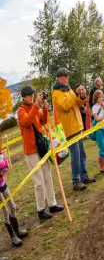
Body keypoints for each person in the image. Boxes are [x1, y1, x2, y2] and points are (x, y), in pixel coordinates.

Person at [16, 86, 63, 221]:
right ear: (23, 97)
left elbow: (43, 121)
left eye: (32, 94)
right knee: (39, 181)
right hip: (31, 151)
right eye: (29, 95)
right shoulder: (21, 111)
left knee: (47, 176)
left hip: (41, 148)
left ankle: (52, 203)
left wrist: (45, 108)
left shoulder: (35, 107)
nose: (31, 96)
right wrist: (36, 104)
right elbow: (27, 121)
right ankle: (40, 209)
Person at [52, 68, 95, 191]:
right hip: (69, 129)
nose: (66, 78)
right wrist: (75, 94)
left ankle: (84, 175)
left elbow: (77, 104)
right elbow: (65, 106)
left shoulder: (68, 88)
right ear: (58, 79)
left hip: (77, 126)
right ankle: (76, 180)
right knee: (75, 155)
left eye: (67, 76)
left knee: (81, 153)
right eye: (64, 77)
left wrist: (81, 96)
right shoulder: (56, 93)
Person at [0, 152, 28, 247]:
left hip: (3, 185)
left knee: (12, 206)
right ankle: (13, 237)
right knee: (5, 212)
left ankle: (17, 230)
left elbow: (5, 164)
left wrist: (4, 163)